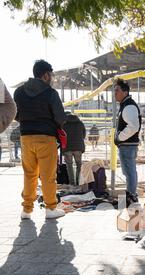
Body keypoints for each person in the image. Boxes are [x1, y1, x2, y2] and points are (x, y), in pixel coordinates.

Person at [14, 59, 66, 220]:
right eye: (51, 75)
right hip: (46, 138)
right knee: (47, 175)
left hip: (26, 137)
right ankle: (50, 208)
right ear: (45, 75)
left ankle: (27, 210)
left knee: (29, 174)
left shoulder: (19, 92)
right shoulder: (50, 93)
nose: (52, 78)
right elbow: (60, 118)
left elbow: (14, 113)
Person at [114, 78, 141, 205]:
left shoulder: (129, 106)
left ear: (125, 92)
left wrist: (120, 137)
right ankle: (131, 195)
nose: (115, 93)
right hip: (127, 145)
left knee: (129, 172)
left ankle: (131, 196)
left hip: (128, 145)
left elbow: (133, 126)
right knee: (129, 172)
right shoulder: (126, 105)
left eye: (117, 90)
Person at [62, 112, 86, 186]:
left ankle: (72, 183)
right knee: (79, 165)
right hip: (78, 147)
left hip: (67, 148)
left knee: (69, 165)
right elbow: (84, 135)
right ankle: (78, 182)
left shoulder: (63, 124)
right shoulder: (80, 123)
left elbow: (61, 135)